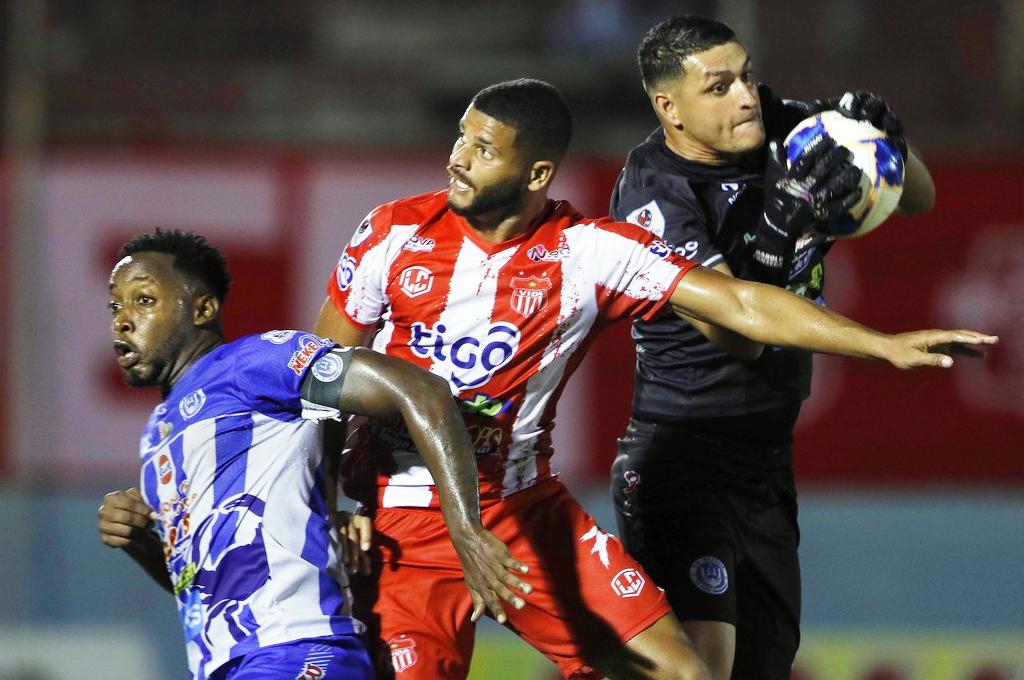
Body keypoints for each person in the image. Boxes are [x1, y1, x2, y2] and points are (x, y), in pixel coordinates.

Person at [314, 78, 993, 680]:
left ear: (537, 173)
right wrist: (328, 511)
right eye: (462, 138)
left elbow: (740, 304)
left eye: (484, 150)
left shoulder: (588, 252)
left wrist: (881, 345)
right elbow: (315, 382)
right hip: (395, 524)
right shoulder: (392, 232)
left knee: (681, 674)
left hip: (521, 511)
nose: (458, 159)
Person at [608, 15, 940, 680]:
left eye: (747, 75)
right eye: (719, 86)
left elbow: (920, 202)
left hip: (765, 463)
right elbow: (738, 335)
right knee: (703, 668)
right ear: (669, 108)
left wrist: (890, 145)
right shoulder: (654, 195)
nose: (746, 97)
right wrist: (776, 230)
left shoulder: (788, 125)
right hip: (682, 461)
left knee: (764, 667)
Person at [97, 229, 531, 680]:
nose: (122, 320)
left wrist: (466, 529)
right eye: (115, 306)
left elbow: (420, 390)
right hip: (229, 665)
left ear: (202, 309)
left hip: (296, 649)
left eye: (144, 300)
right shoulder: (157, 435)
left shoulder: (255, 364)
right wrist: (141, 541)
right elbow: (201, 583)